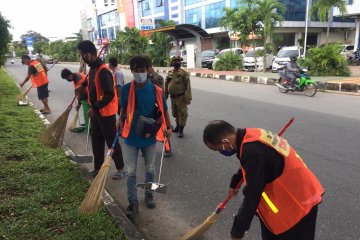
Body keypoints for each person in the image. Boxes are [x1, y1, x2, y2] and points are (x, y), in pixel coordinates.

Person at [203, 120, 324, 240]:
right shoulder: (251, 135)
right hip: (291, 196)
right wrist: (235, 181)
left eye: (218, 149)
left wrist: (237, 232)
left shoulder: (253, 151)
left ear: (226, 141)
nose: (221, 152)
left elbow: (252, 196)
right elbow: (253, 164)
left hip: (297, 203)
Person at [117, 55, 173, 218]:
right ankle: (133, 202)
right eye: (135, 71)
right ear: (132, 70)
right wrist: (120, 120)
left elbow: (164, 111)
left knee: (150, 169)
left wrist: (169, 127)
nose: (139, 74)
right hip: (130, 137)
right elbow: (123, 108)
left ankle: (149, 194)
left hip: (149, 137)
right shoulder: (126, 89)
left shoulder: (157, 91)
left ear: (148, 69)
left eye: (142, 70)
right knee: (130, 172)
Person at [77, 40, 125, 180]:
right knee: (96, 141)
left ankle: (121, 168)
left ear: (90, 54)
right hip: (96, 112)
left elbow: (110, 94)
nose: (83, 59)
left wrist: (95, 107)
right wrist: (82, 85)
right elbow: (89, 80)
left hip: (106, 113)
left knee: (111, 142)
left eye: (83, 56)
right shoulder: (92, 68)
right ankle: (98, 167)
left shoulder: (104, 71)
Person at [146, 56, 172, 157]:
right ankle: (146, 148)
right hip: (148, 108)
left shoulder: (158, 78)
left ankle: (167, 147)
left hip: (158, 108)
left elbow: (160, 94)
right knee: (147, 127)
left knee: (163, 127)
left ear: (148, 67)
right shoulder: (146, 77)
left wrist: (159, 107)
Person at [165, 56, 192, 138]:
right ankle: (177, 126)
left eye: (178, 61)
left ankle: (181, 130)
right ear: (172, 62)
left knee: (183, 113)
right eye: (175, 61)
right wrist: (165, 95)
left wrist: (188, 97)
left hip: (181, 97)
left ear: (180, 63)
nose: (176, 62)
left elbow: (188, 86)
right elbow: (167, 84)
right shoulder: (170, 72)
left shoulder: (184, 73)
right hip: (173, 97)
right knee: (175, 113)